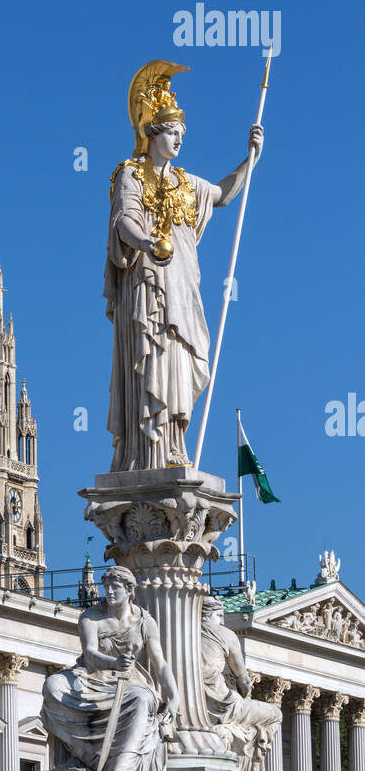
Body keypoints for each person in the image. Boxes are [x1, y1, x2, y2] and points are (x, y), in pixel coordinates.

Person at [105, 61, 264, 470]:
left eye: (182, 134)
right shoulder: (132, 175)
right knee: (151, 355)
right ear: (153, 132)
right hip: (147, 284)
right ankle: (145, 453)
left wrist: (250, 159)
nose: (180, 140)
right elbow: (123, 220)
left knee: (178, 357)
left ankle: (174, 443)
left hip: (182, 284)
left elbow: (224, 195)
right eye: (174, 132)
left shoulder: (186, 183)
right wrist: (147, 242)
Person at [41, 565, 178, 771]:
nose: (110, 592)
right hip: (92, 676)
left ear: (129, 590)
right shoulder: (90, 617)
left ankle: (122, 766)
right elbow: (90, 653)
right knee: (52, 685)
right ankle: (85, 754)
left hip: (129, 682)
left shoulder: (145, 623)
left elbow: (160, 664)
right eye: (107, 588)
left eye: (116, 587)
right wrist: (113, 662)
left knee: (142, 699)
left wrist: (174, 697)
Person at [201, 596, 281, 771]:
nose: (221, 620)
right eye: (220, 616)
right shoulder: (225, 634)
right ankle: (249, 763)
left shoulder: (185, 633)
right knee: (276, 714)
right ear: (216, 614)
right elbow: (243, 680)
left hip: (195, 702)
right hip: (223, 704)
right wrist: (243, 695)